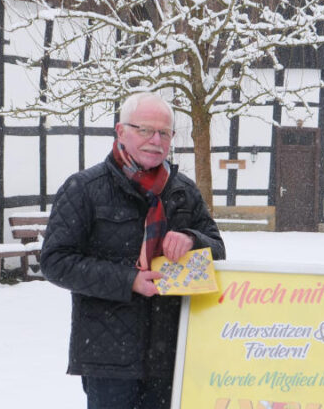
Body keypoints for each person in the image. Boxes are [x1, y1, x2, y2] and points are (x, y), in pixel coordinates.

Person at [40, 92, 226, 409]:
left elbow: (217, 249)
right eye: (144, 130)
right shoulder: (84, 188)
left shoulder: (183, 191)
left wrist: (192, 238)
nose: (155, 140)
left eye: (164, 132)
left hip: (171, 352)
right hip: (109, 355)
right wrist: (129, 280)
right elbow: (56, 261)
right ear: (121, 131)